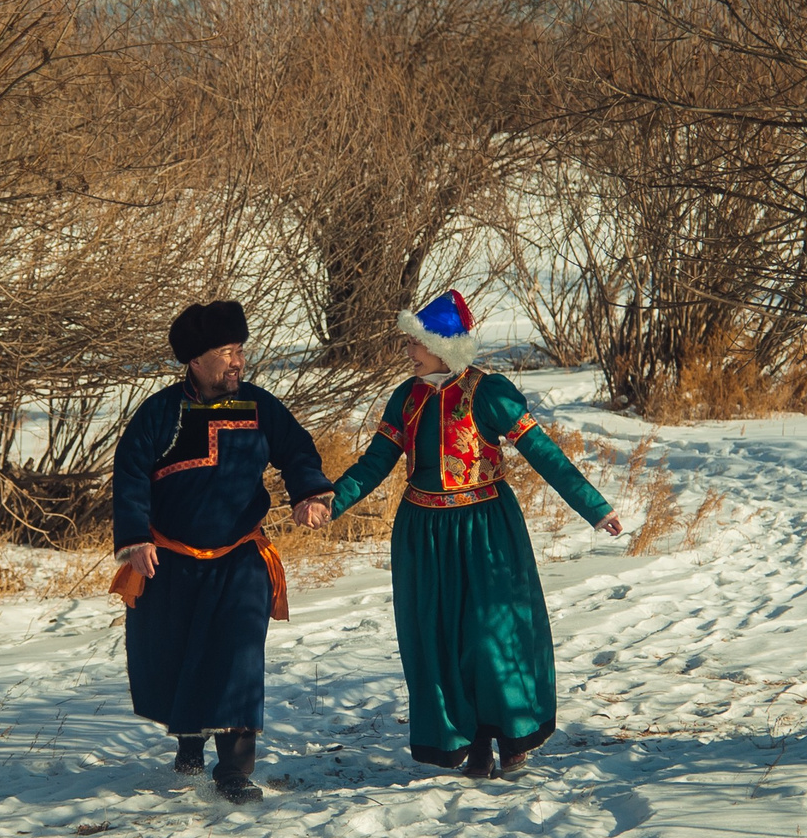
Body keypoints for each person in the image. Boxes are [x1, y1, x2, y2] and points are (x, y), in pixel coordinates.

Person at [318, 289, 621, 779]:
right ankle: (472, 741)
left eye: (415, 344)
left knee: (490, 634)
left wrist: (594, 507)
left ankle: (510, 732)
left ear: (440, 345)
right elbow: (376, 463)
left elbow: (545, 453)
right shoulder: (406, 398)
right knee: (440, 637)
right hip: (424, 534)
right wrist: (331, 500)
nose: (409, 353)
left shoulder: (489, 392)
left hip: (486, 530)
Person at [111, 300, 334, 803]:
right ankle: (189, 739)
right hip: (171, 563)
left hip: (239, 559)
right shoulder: (161, 414)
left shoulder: (260, 407)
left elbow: (297, 450)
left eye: (239, 349)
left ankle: (233, 770)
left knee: (237, 658)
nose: (237, 361)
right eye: (225, 351)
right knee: (178, 654)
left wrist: (308, 493)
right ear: (195, 360)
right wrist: (136, 539)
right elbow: (129, 475)